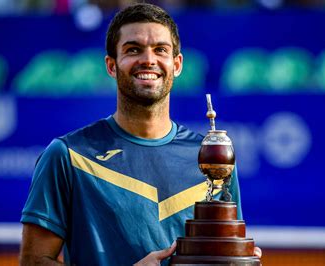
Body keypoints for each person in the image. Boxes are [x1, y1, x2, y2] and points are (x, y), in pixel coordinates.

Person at [20, 3, 258, 265]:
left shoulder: (213, 160)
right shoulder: (67, 155)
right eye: (133, 50)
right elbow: (34, 262)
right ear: (111, 66)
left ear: (177, 65)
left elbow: (224, 247)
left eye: (160, 50)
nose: (148, 59)